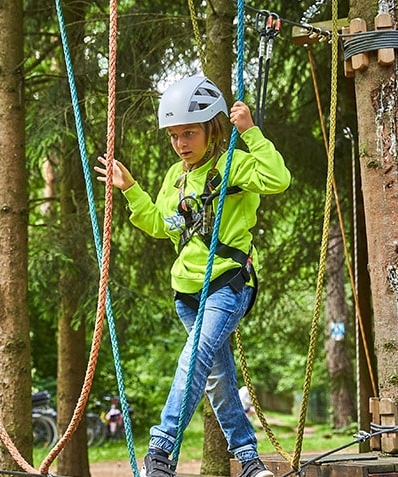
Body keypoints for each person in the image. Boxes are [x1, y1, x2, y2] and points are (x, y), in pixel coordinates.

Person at [95, 76, 291, 477]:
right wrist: (131, 188)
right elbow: (162, 224)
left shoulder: (233, 161)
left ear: (210, 128)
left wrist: (250, 132)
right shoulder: (176, 177)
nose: (181, 143)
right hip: (186, 291)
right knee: (218, 380)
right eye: (174, 136)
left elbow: (277, 180)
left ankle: (161, 449)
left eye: (189, 133)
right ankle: (250, 462)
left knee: (195, 358)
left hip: (226, 284)